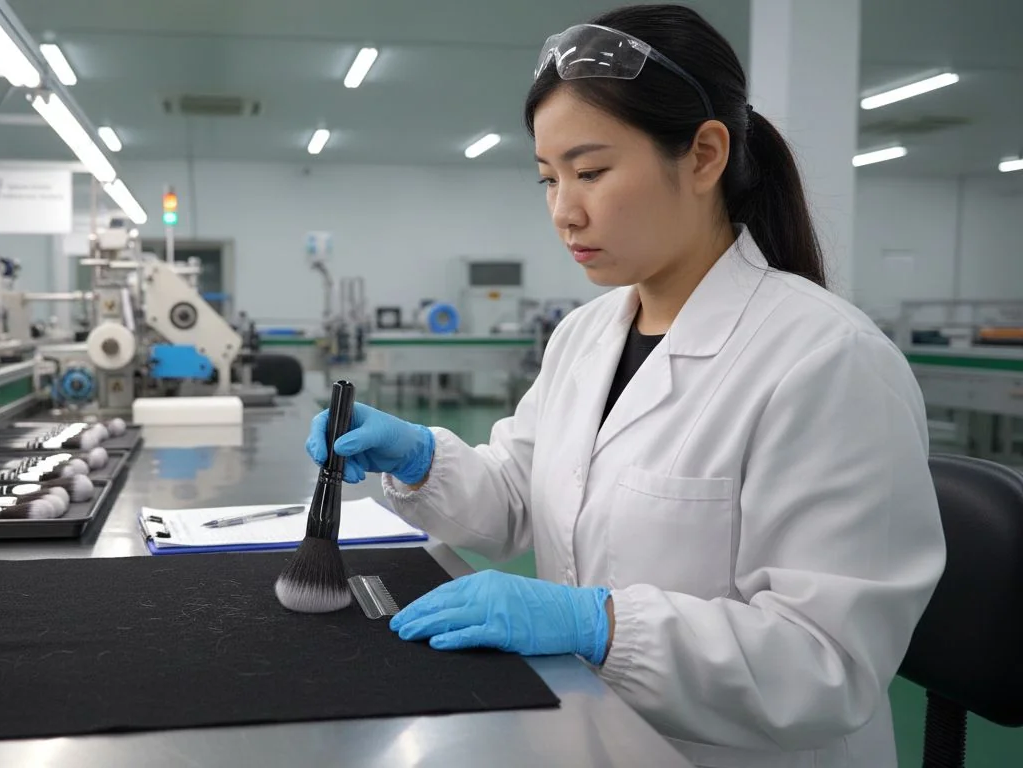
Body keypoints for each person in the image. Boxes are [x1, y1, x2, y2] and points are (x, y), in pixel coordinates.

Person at [304, 5, 946, 767]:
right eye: (547, 178)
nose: (564, 211)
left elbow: (826, 665)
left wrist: (603, 625)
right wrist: (418, 459)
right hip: (588, 733)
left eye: (591, 171)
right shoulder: (586, 336)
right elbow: (519, 497)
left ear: (705, 156)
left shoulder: (827, 360)